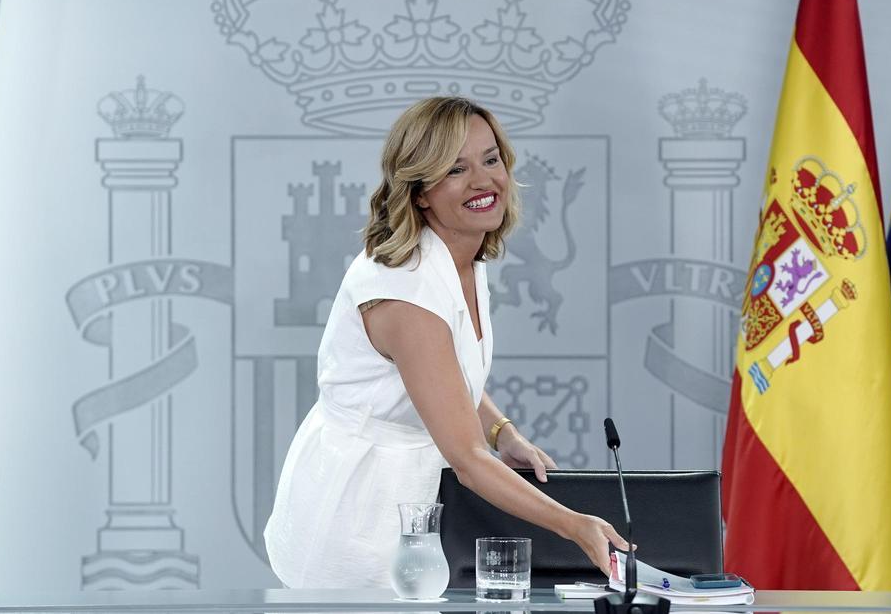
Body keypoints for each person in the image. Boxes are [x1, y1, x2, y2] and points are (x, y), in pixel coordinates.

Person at [263, 96, 628, 588]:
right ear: (419, 192)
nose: (484, 181)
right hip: (356, 511)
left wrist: (503, 431)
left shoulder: (460, 254)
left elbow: (448, 376)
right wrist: (574, 524)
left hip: (411, 501)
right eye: (456, 169)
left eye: (491, 159)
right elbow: (469, 462)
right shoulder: (406, 293)